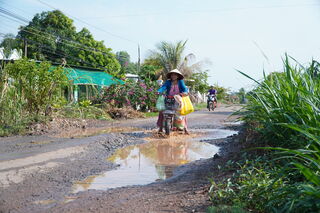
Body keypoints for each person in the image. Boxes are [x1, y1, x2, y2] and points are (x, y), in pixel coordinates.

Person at [157, 69, 189, 134]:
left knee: (181, 112)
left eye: (175, 75)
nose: (173, 76)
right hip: (168, 98)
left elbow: (184, 89)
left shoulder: (180, 82)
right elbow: (163, 87)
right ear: (170, 76)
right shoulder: (168, 82)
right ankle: (160, 128)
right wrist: (159, 91)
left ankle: (185, 128)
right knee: (162, 111)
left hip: (178, 98)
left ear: (178, 76)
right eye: (172, 75)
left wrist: (185, 92)